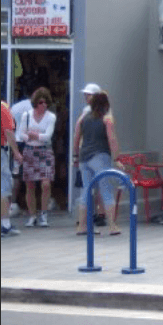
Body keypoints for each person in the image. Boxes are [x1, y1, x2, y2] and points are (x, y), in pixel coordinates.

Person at [73, 91, 121, 236]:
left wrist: (75, 156)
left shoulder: (83, 118)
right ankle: (112, 226)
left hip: (84, 157)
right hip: (100, 156)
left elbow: (76, 137)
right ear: (106, 105)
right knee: (106, 189)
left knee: (86, 191)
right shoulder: (107, 119)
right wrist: (117, 158)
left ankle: (82, 226)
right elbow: (111, 139)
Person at [18, 88, 57, 228]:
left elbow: (48, 136)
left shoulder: (51, 117)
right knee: (29, 184)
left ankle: (44, 214)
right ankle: (32, 215)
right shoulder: (26, 115)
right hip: (29, 150)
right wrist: (32, 136)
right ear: (36, 103)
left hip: (45, 151)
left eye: (46, 102)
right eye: (41, 102)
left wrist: (34, 135)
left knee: (46, 183)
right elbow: (21, 134)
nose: (43, 105)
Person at [73, 84, 108, 225]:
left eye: (89, 95)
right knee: (93, 186)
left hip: (90, 152)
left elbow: (78, 131)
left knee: (90, 187)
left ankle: (94, 215)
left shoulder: (90, 112)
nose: (86, 97)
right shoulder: (92, 111)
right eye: (85, 95)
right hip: (90, 152)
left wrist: (76, 153)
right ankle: (94, 215)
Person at [8, 90, 33, 217]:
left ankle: (13, 204)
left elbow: (10, 125)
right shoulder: (33, 107)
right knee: (30, 175)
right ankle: (31, 207)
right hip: (28, 142)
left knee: (16, 174)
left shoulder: (15, 107)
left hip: (17, 140)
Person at [1, 101, 24, 238]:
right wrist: (16, 152)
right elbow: (8, 130)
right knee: (3, 188)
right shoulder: (3, 108)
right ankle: (4, 225)